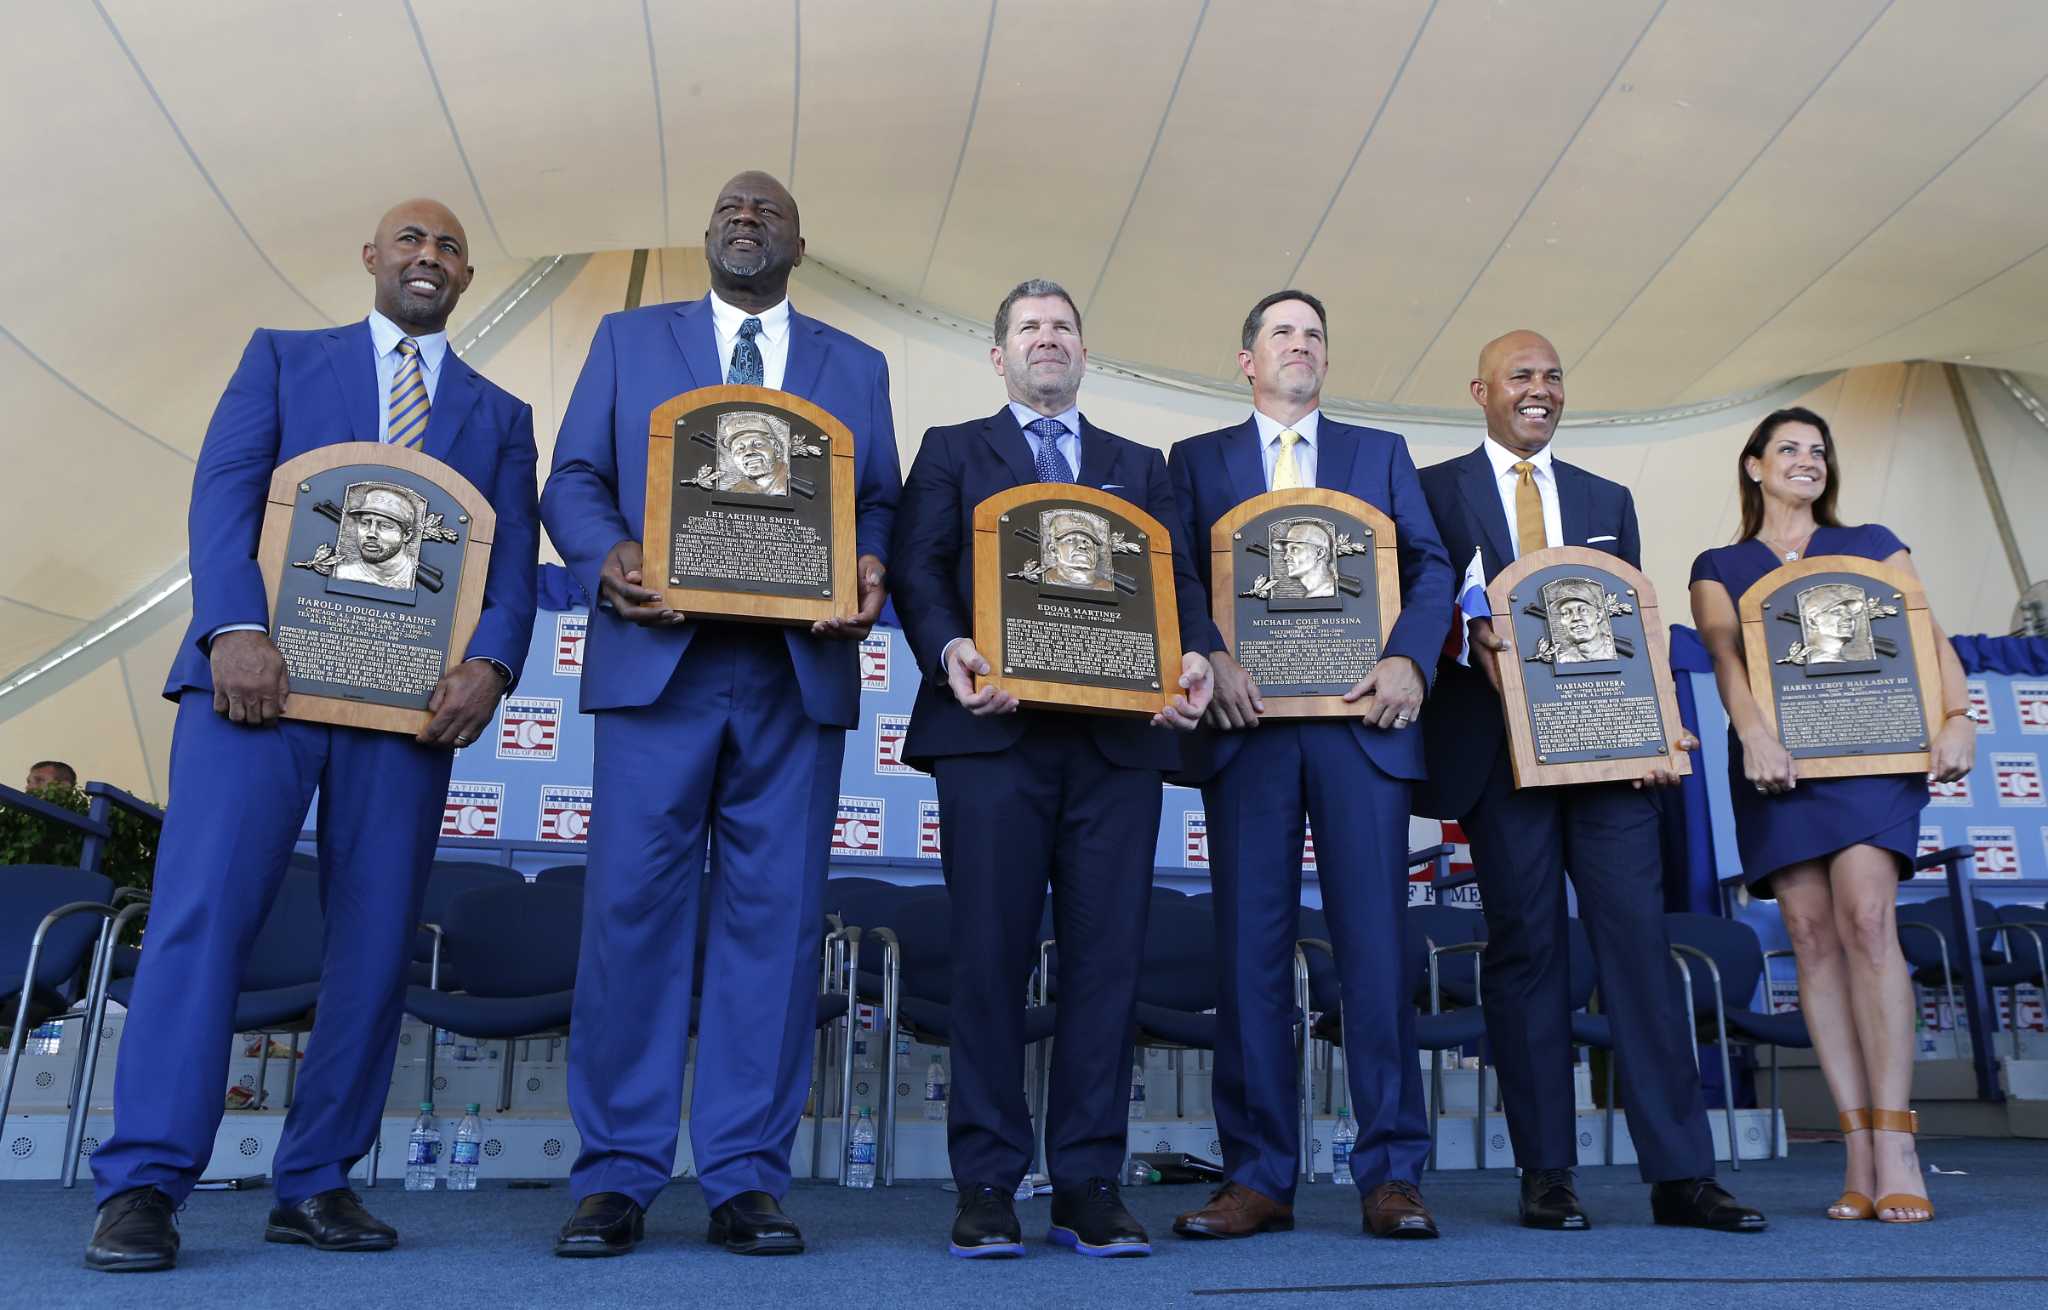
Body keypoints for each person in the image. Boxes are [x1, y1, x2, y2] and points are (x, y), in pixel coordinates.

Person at [85, 199, 538, 1272]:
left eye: (450, 247)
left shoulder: (499, 411)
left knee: (375, 942)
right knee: (200, 922)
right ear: (372, 258)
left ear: (468, 276)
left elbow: (510, 559)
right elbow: (223, 493)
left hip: (405, 709)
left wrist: (495, 661)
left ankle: (318, 1177)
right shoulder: (283, 360)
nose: (428, 257)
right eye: (411, 241)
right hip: (258, 691)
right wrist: (234, 626)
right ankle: (145, 1180)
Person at [543, 170, 899, 1259]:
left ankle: (745, 1173)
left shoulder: (859, 364)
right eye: (729, 212)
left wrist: (873, 558)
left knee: (776, 927)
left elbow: (877, 493)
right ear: (704, 236)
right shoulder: (624, 338)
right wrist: (608, 557)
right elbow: (572, 478)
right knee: (630, 918)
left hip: (795, 672)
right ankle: (615, 1172)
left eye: (769, 213)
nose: (745, 221)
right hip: (661, 664)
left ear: (801, 242)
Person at [1413, 329, 1765, 1234]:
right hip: (1499, 759)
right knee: (1529, 955)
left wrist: (1655, 717)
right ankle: (1546, 1174)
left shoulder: (1608, 498)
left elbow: (1631, 626)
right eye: (1521, 376)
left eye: (1553, 376)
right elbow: (1415, 601)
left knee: (1637, 954)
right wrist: (1467, 629)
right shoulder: (1429, 490)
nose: (1540, 389)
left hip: (1612, 758)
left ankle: (1682, 1175)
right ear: (1480, 391)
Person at [891, 278, 1212, 1259]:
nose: (1046, 339)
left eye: (1062, 326)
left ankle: (1086, 1181)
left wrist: (1192, 652)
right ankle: (987, 1180)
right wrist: (950, 650)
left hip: (1114, 747)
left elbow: (1179, 579)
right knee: (986, 960)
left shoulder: (1137, 465)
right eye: (1028, 327)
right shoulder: (952, 448)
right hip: (991, 736)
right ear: (998, 356)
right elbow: (917, 565)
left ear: (1082, 352)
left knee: (1105, 965)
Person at [1166, 290, 1453, 1242]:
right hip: (1248, 728)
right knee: (1249, 954)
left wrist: (1412, 652)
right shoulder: (1196, 460)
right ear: (1247, 361)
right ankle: (1257, 1177)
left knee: (1374, 948)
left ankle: (1391, 1174)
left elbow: (1432, 563)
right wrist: (1213, 650)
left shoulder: (1381, 453)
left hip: (1360, 726)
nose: (1302, 346)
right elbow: (1170, 573)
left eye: (1315, 335)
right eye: (1283, 334)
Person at [1689, 406, 1971, 1225]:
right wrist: (1753, 737)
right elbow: (1724, 655)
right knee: (1811, 939)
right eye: (1788, 449)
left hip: (1873, 761)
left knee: (1869, 920)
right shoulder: (1721, 562)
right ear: (1754, 466)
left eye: (1818, 451)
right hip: (1777, 765)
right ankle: (1856, 1151)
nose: (1806, 461)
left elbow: (1930, 634)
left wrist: (1960, 716)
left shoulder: (1875, 542)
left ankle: (1899, 1143)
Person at [334, 486, 422, 590]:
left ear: (406, 535)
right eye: (365, 523)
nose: (371, 533)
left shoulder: (412, 576)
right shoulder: (343, 574)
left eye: (384, 525)